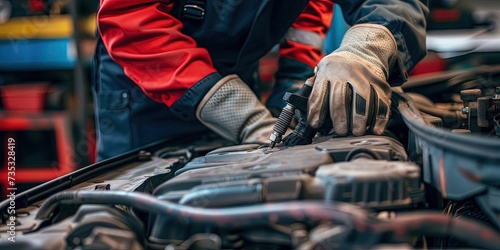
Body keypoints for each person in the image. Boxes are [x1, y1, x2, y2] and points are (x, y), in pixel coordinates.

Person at [93, 0, 428, 161]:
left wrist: (365, 49)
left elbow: (309, 10)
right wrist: (241, 114)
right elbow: (132, 18)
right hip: (145, 97)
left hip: (237, 77)